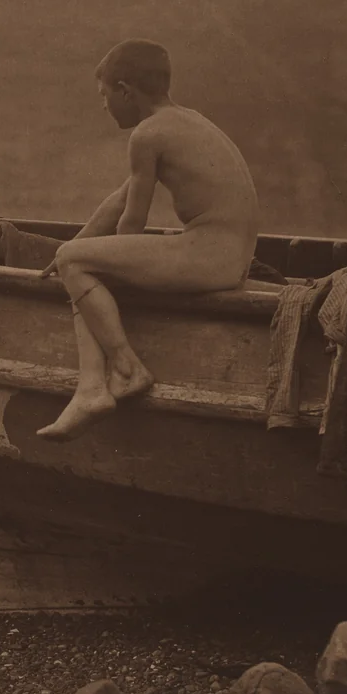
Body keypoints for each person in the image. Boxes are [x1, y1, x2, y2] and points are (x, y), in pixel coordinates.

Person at [37, 38, 259, 441]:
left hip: (211, 258)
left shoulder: (146, 135)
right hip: (233, 257)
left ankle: (122, 370)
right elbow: (120, 199)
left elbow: (131, 225)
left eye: (105, 96)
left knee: (75, 262)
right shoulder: (185, 121)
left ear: (125, 90)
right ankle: (90, 389)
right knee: (72, 257)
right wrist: (75, 248)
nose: (104, 106)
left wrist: (80, 260)